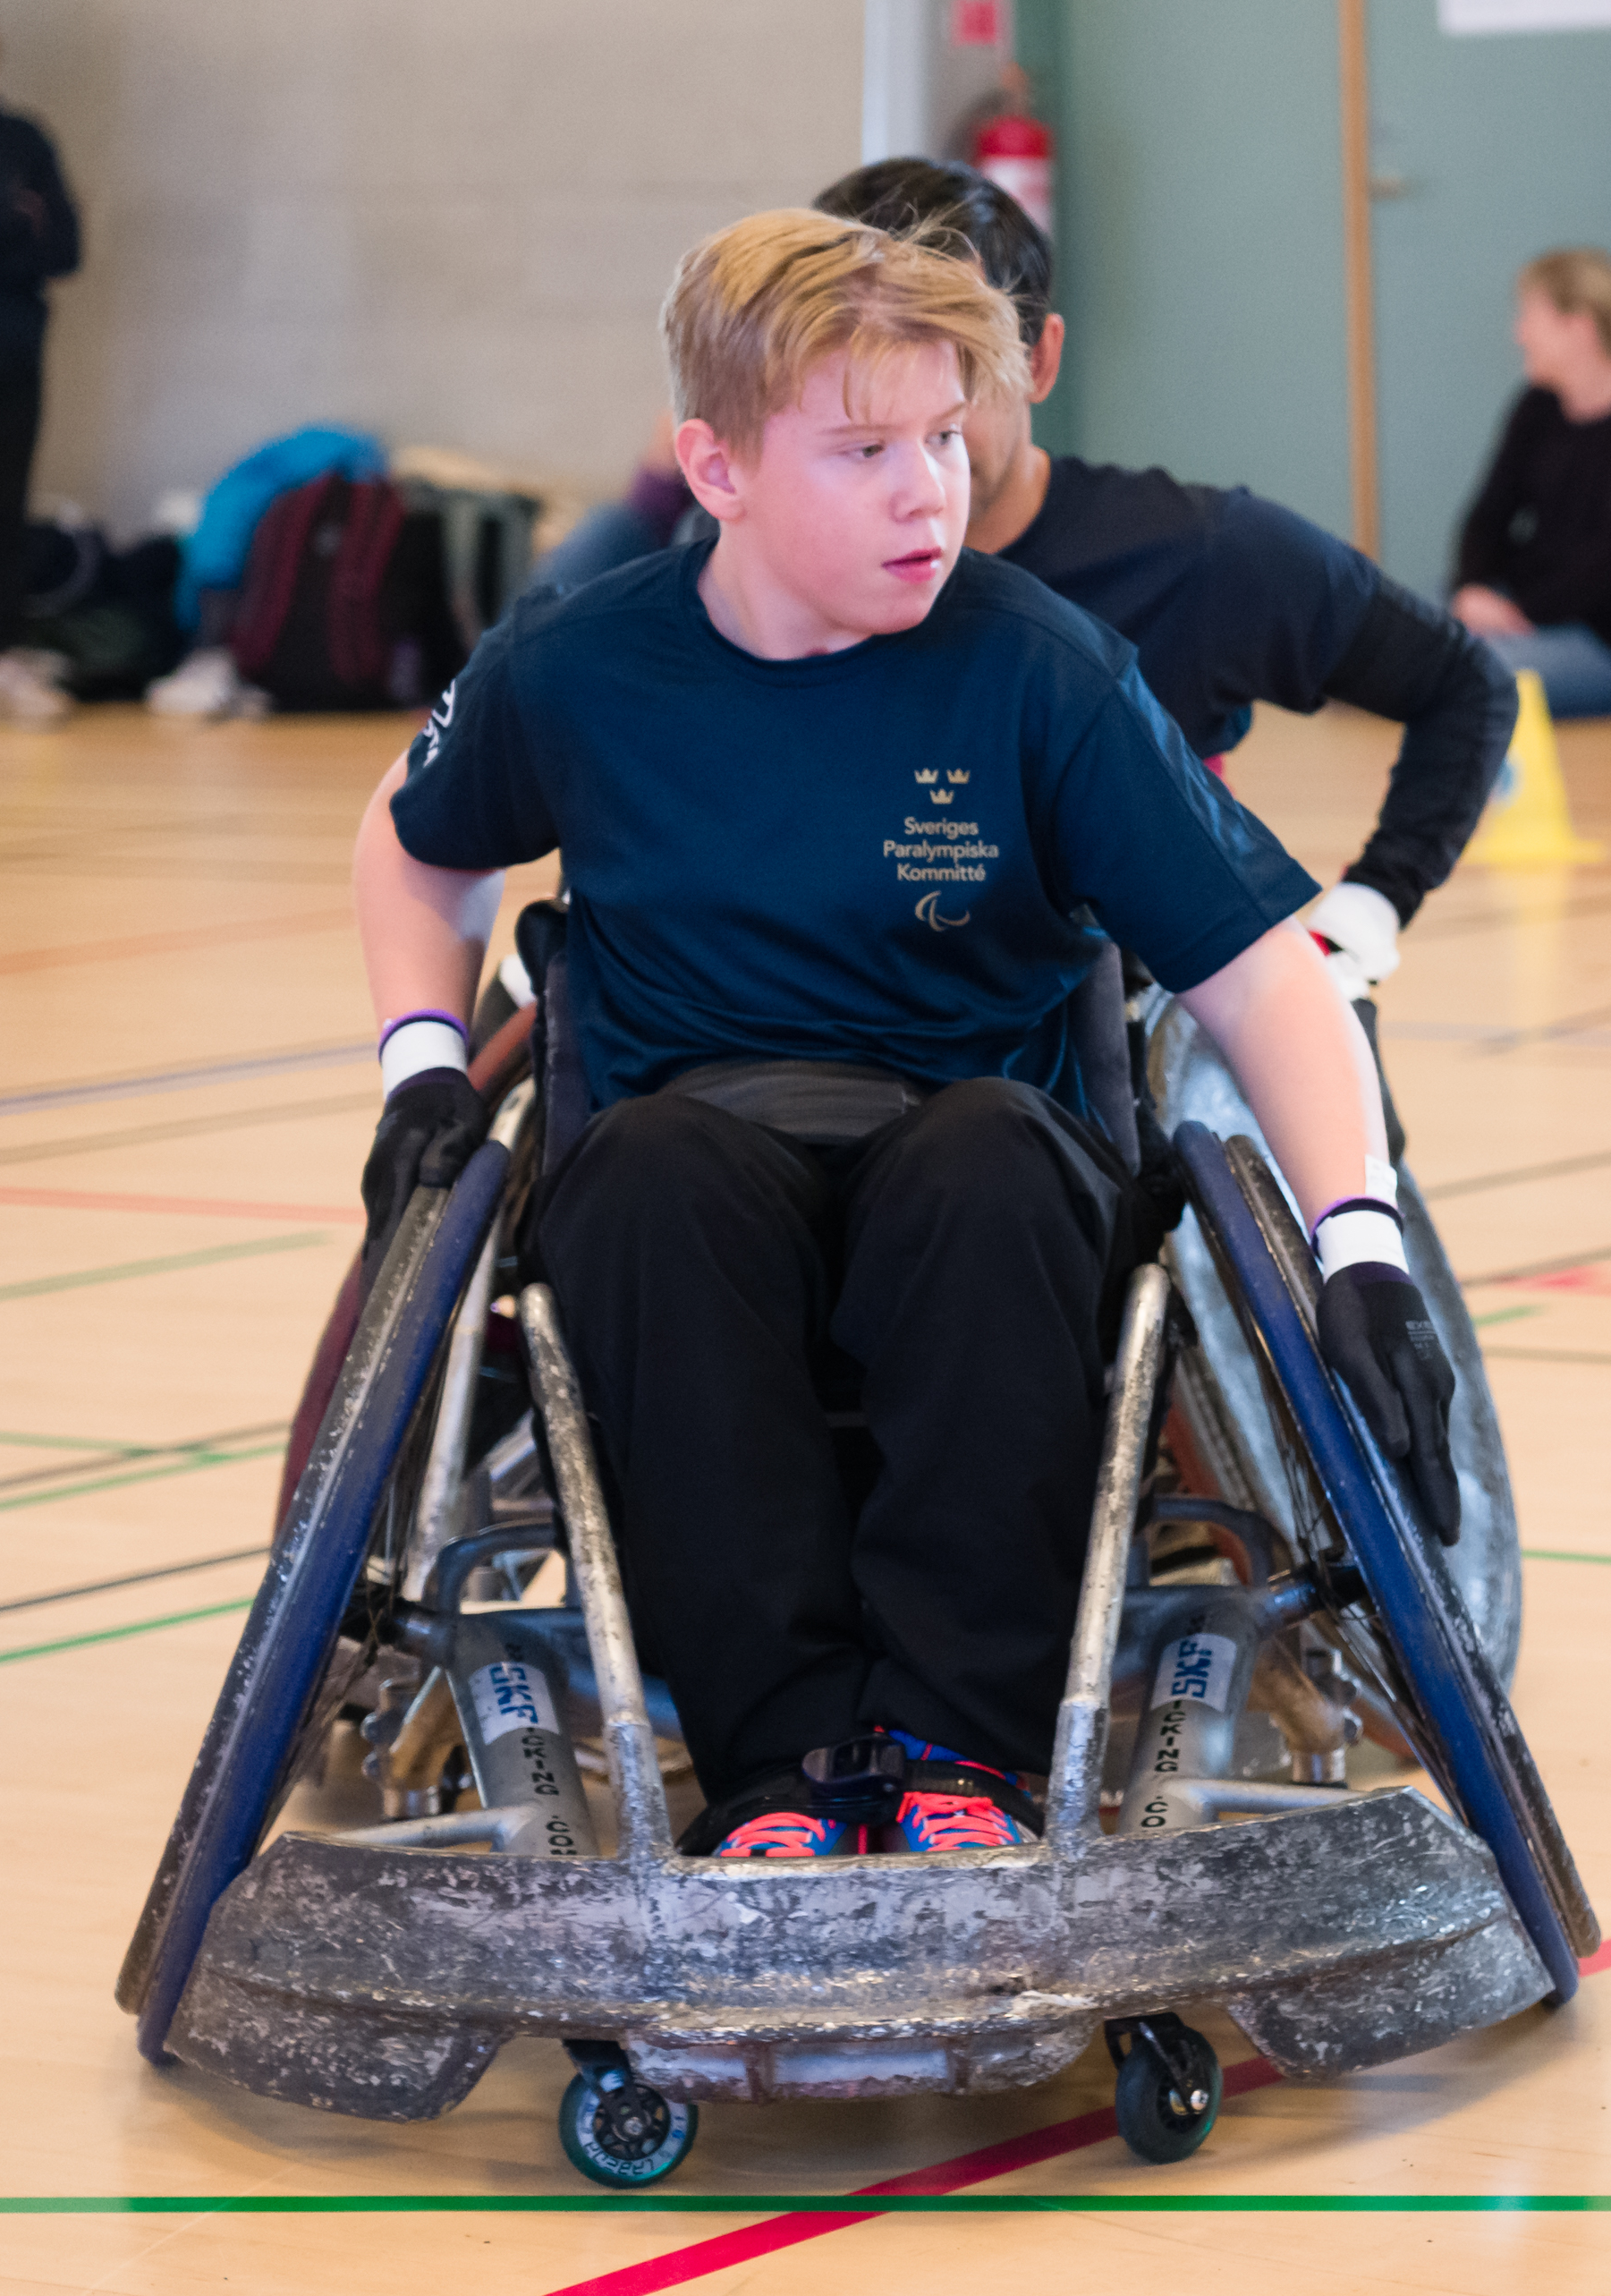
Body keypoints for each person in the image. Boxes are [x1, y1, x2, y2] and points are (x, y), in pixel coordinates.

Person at [352, 210, 1459, 1859]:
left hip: (974, 1150)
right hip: (690, 1154)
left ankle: (959, 1748)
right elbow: (416, 840)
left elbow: (1260, 974)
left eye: (946, 438)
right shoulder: (580, 666)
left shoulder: (1041, 669)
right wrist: (421, 1064)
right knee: (650, 1176)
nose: (926, 490)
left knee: (991, 1166)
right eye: (865, 449)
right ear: (715, 468)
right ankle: (780, 1765)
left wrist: (1360, 1242)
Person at [812, 158, 1514, 998]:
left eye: (957, 358)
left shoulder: (1197, 553)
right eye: (865, 365)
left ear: (1040, 360)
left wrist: (1367, 913)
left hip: (1143, 1043)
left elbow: (1464, 682)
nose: (909, 411)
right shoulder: (747, 571)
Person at [1447, 246, 1611, 719]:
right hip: (1522, 611)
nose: (1519, 334)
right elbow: (1488, 515)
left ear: (1580, 327)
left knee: (1460, 672)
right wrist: (1472, 589)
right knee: (1391, 629)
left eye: (1531, 317)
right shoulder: (1537, 405)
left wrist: (1523, 613)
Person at [0, 31, 78, 729]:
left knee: (4, 508)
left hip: (11, 353)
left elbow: (65, 248)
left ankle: (5, 658)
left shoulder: (22, 141)